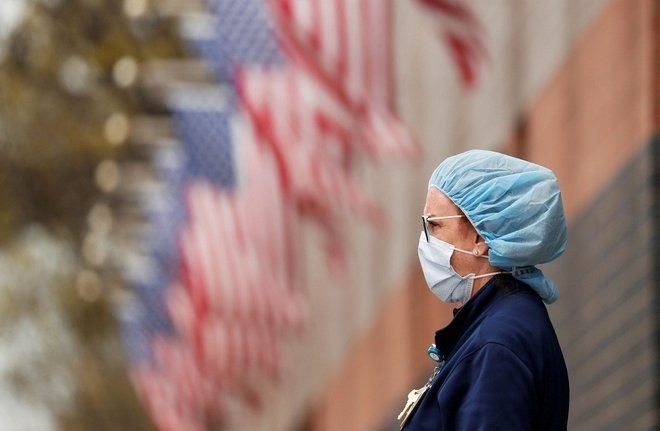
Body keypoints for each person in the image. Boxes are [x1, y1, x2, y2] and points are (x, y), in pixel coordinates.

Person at [398, 150, 569, 430]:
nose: (425, 240)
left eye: (434, 225)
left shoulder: (496, 343)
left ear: (480, 236)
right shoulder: (492, 328)